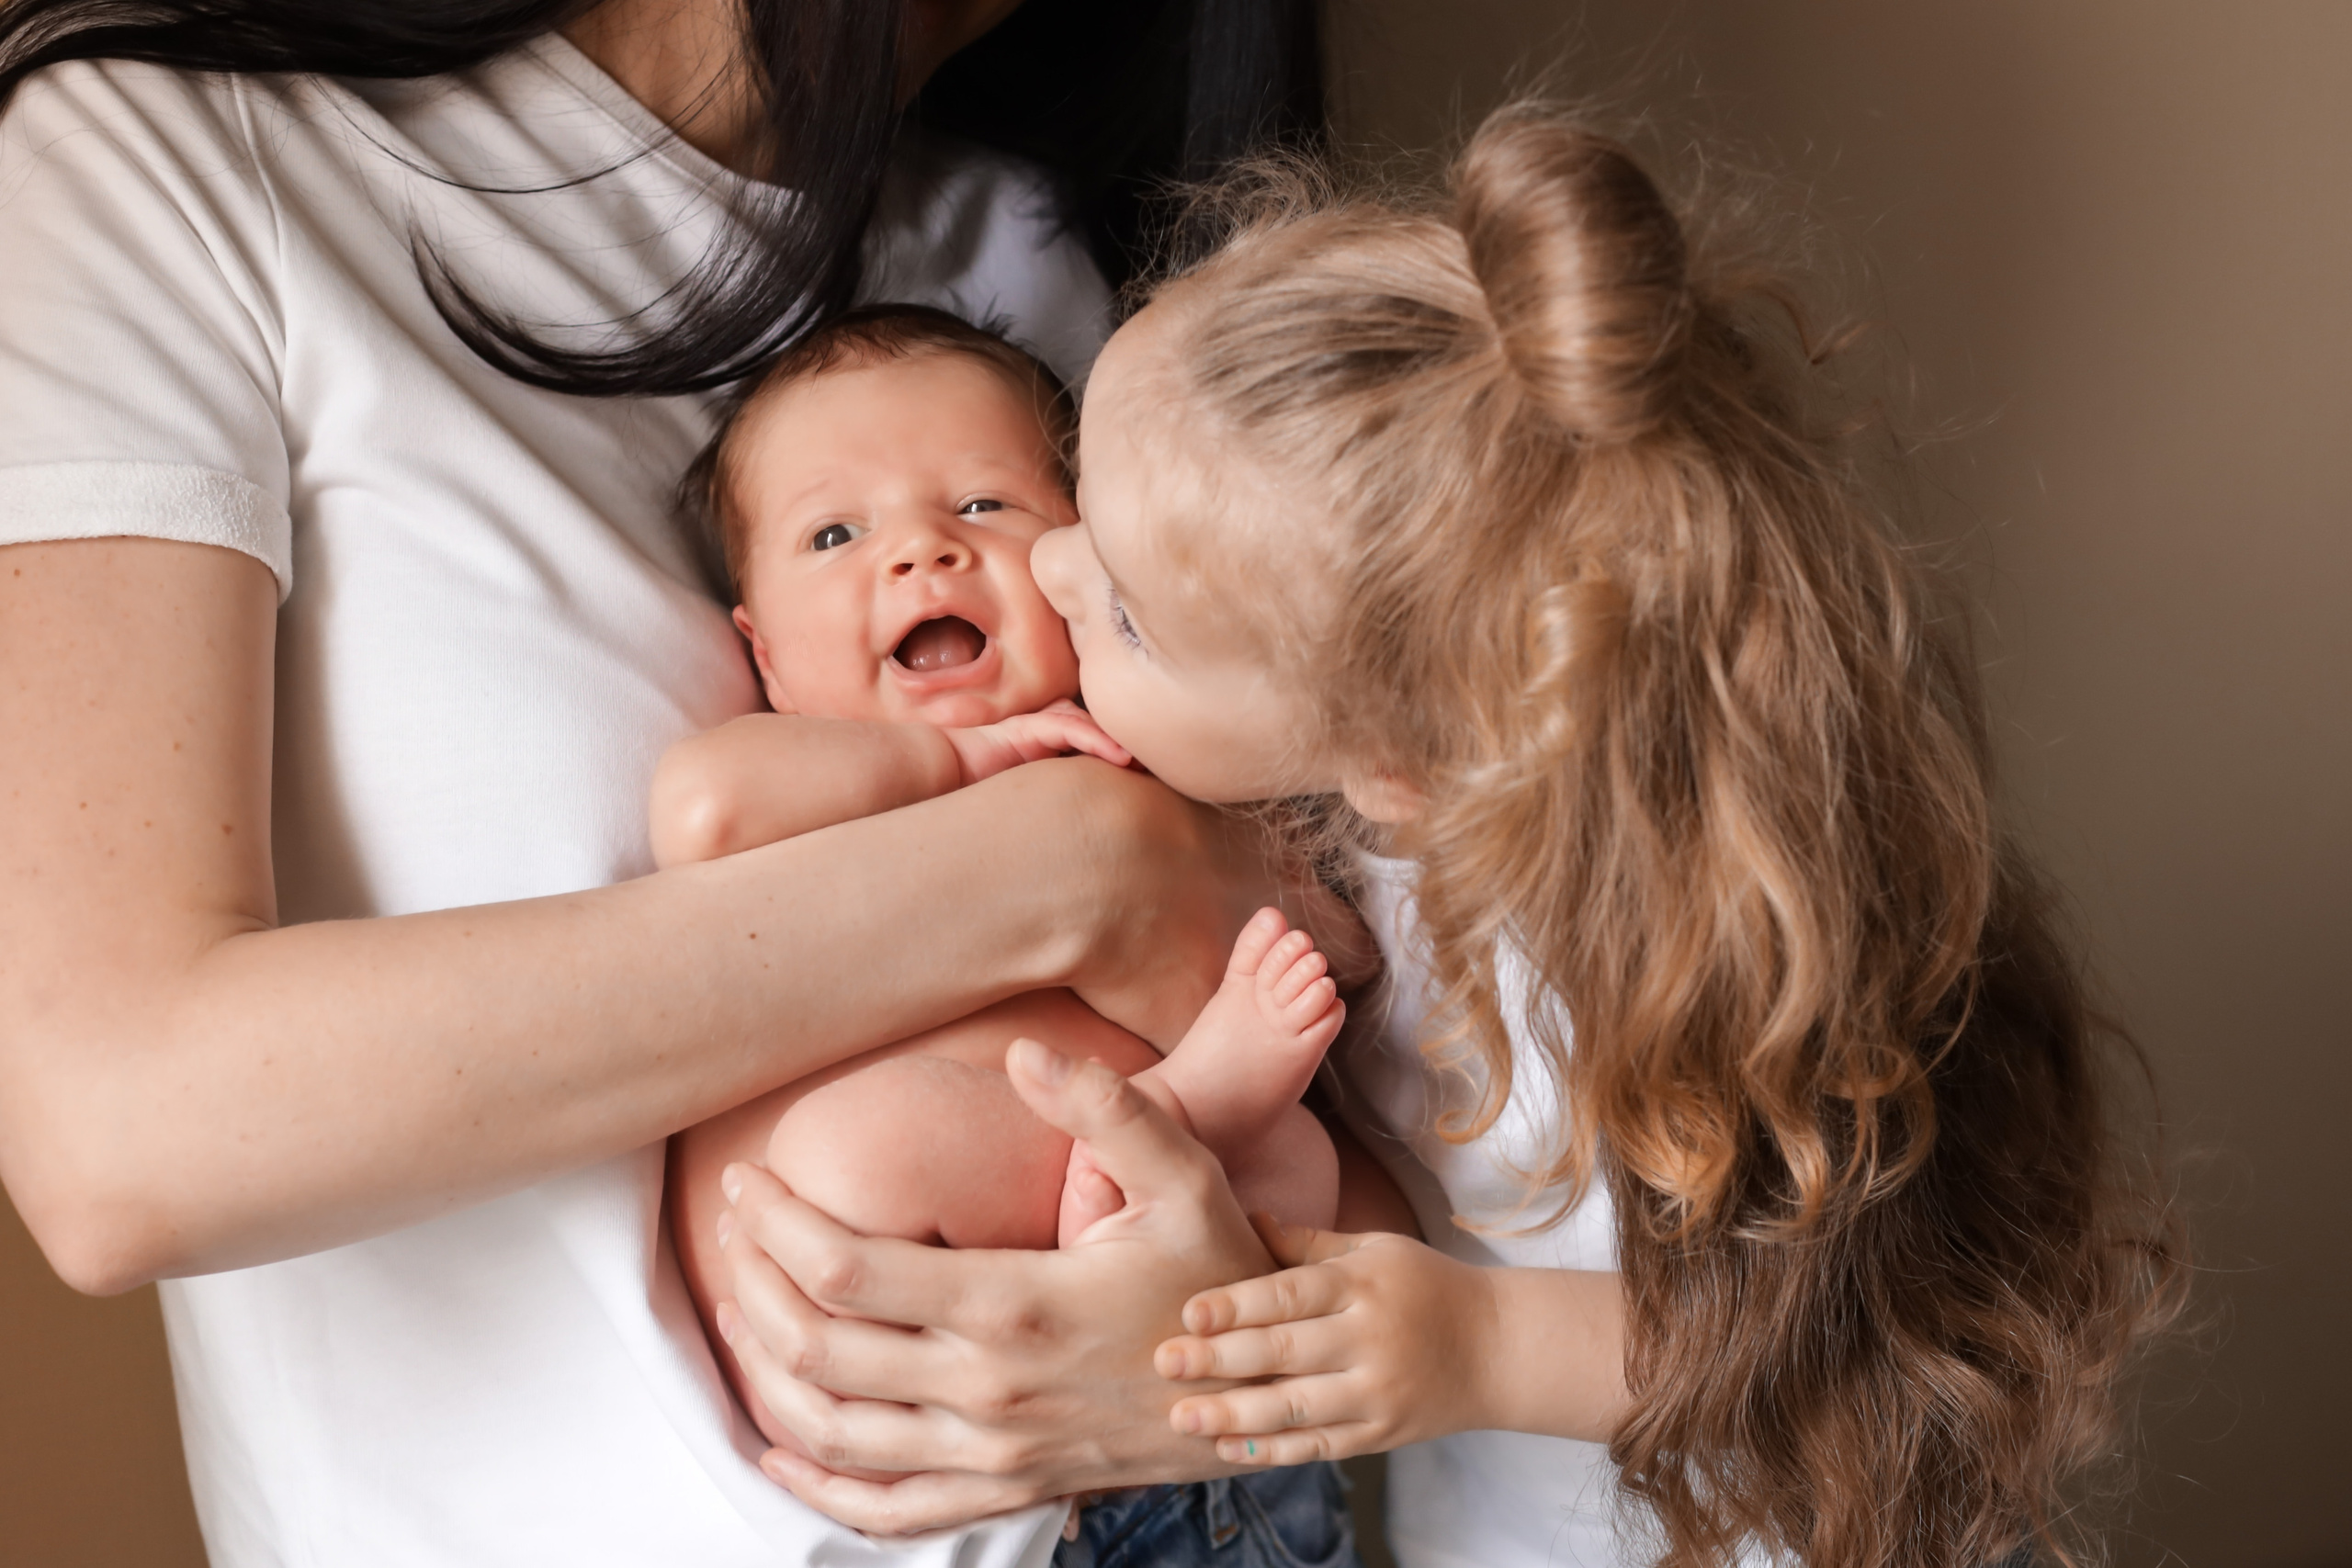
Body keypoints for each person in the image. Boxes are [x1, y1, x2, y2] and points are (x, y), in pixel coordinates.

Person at [707, 107, 2184, 1568]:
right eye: (1082, 494)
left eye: (1134, 609)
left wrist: (1478, 1342)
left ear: (1395, 754)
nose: (1051, 564)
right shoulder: (1349, 815)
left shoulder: (1647, 954)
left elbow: (1868, 1345)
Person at [0, 2, 1338, 1565]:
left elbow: (1339, 915)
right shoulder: (166, 154)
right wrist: (1074, 865)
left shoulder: (1024, 245)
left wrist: (1230, 1310)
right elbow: (120, 1134)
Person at [646, 306, 1352, 1483]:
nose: (921, 550)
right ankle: (1178, 1111)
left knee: (1304, 1169)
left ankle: (1181, 1128)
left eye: (983, 506)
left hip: (1140, 1316)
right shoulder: (807, 764)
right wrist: (961, 760)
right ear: (763, 651)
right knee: (847, 1156)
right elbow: (704, 813)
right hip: (869, 1265)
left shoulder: (1133, 744)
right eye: (834, 534)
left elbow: (1312, 928)